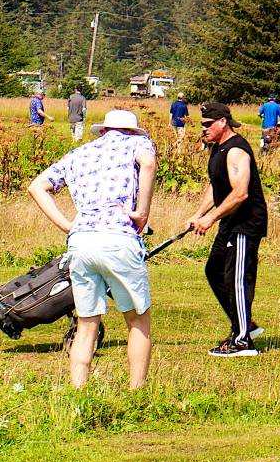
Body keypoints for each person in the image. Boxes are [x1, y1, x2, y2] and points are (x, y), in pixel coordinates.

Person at [28, 109, 158, 389]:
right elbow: (147, 164)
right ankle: (137, 392)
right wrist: (142, 212)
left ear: (102, 131)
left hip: (82, 241)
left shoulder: (80, 153)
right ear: (133, 131)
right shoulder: (137, 143)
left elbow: (37, 186)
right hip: (118, 237)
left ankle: (79, 390)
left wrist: (67, 226)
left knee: (87, 323)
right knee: (137, 320)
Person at [187, 103, 267, 358]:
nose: (204, 129)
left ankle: (243, 341)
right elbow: (216, 187)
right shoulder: (218, 149)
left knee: (237, 279)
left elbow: (240, 192)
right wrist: (199, 214)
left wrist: (210, 219)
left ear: (223, 122)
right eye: (202, 124)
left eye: (208, 124)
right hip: (230, 222)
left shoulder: (236, 150)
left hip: (245, 223)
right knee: (214, 270)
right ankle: (246, 325)